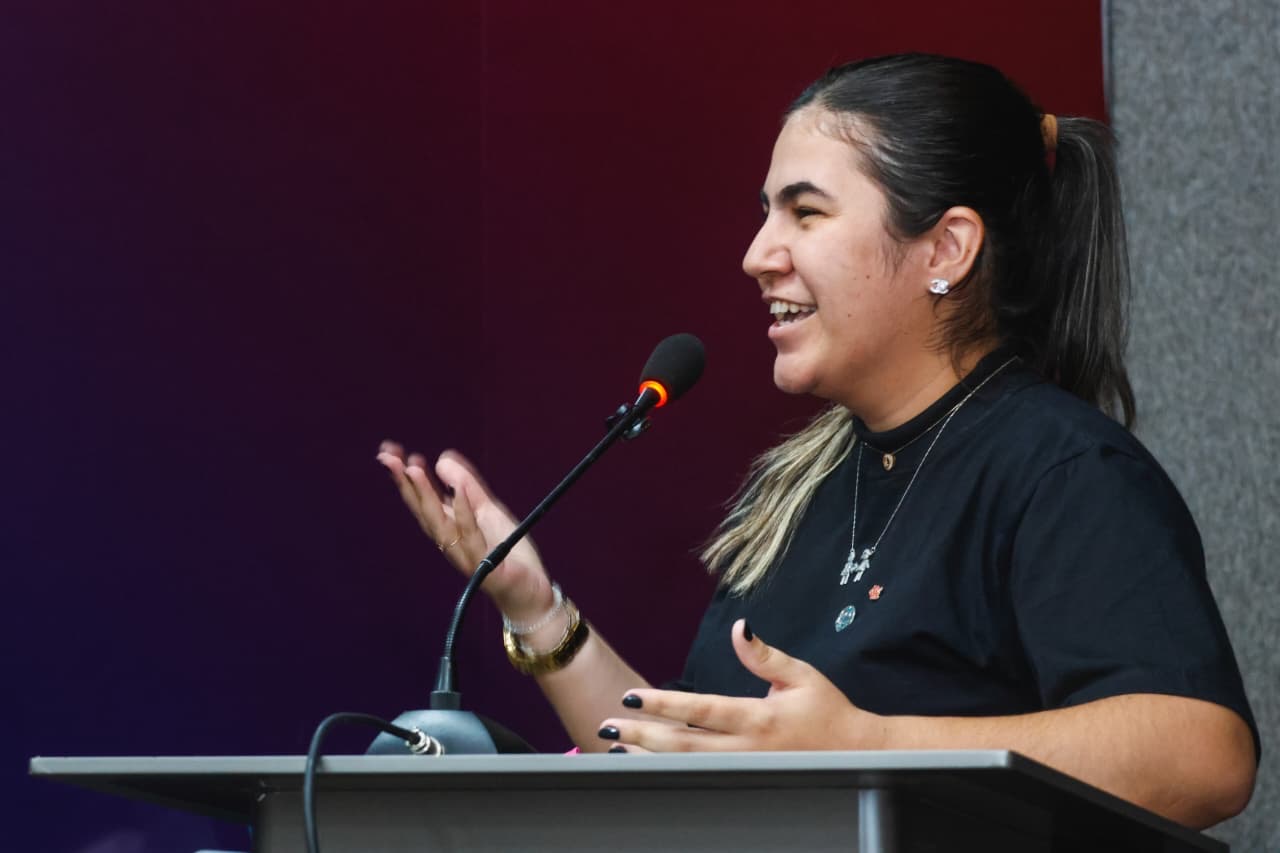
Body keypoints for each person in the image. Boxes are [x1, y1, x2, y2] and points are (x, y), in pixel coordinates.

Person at [376, 54, 1257, 829]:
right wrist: (536, 608)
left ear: (946, 249)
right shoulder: (802, 485)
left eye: (805, 212)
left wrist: (869, 743)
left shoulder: (1063, 470)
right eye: (767, 212)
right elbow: (682, 772)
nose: (759, 253)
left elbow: (1203, 755)